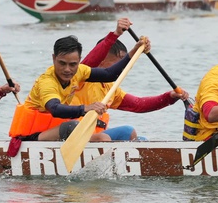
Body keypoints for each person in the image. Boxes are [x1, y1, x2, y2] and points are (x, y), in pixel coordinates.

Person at [8, 33, 150, 142]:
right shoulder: (47, 82)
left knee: (128, 132)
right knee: (93, 135)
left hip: (61, 133)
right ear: (53, 58)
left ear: (79, 61)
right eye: (62, 63)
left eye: (73, 64)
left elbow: (109, 74)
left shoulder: (80, 71)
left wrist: (134, 51)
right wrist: (85, 108)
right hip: (32, 138)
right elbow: (55, 109)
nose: (67, 70)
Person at [72, 18, 189, 140]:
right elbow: (91, 60)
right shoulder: (80, 77)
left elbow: (139, 105)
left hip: (95, 137)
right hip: (73, 136)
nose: (120, 69)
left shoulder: (111, 89)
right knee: (128, 131)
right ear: (101, 62)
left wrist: (169, 97)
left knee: (141, 140)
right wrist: (115, 34)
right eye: (117, 64)